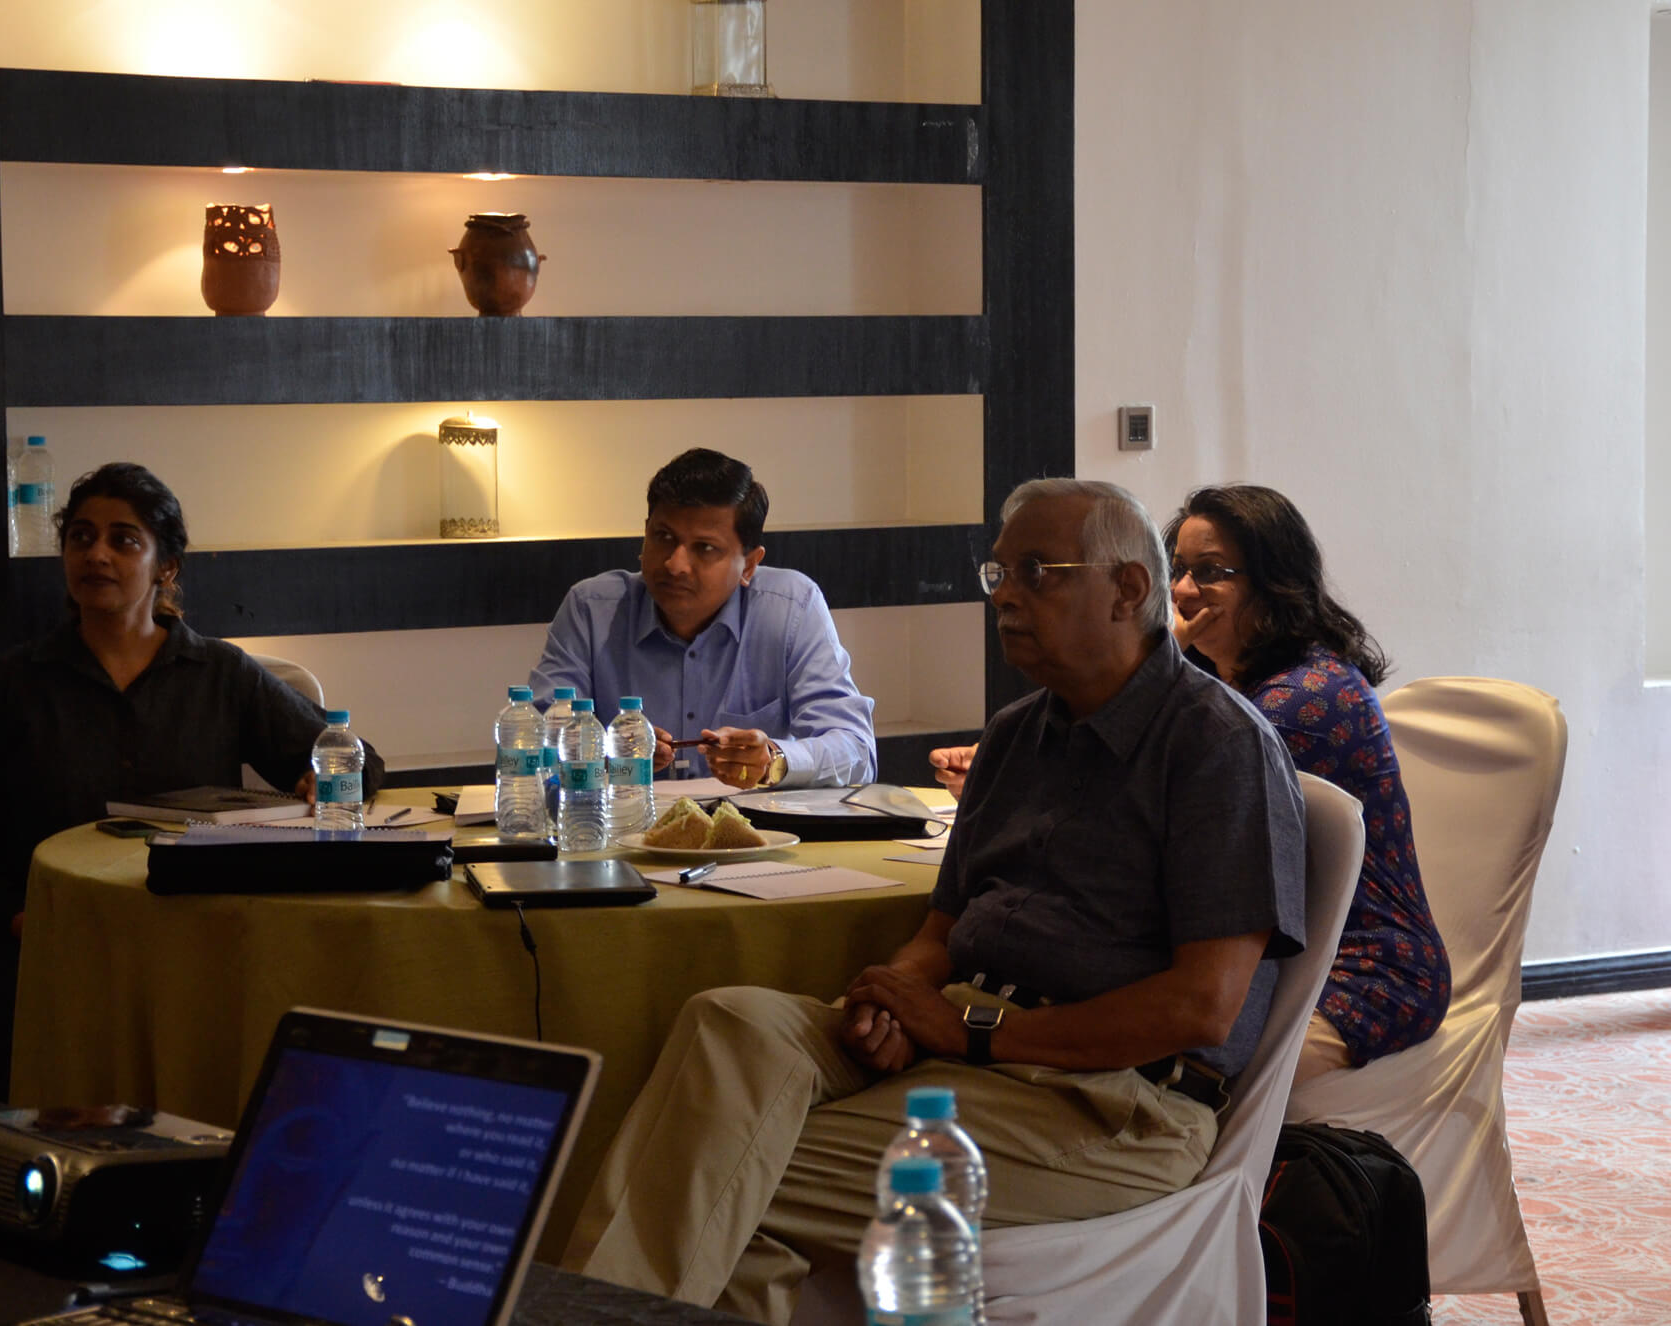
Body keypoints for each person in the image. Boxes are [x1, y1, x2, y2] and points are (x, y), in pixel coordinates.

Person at [562, 478, 1306, 1326]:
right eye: (999, 574)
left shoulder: (1217, 744)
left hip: (1112, 1103)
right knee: (728, 1021)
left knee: (719, 1165)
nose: (1006, 597)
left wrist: (972, 1032)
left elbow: (1202, 1006)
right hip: (970, 1047)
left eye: (1036, 572)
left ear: (1128, 588)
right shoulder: (1018, 735)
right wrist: (891, 998)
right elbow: (942, 932)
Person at [0, 462, 384, 1099]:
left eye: (123, 540)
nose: (97, 554)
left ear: (165, 567)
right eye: (81, 537)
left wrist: (323, 776)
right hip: (50, 954)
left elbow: (359, 760)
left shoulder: (220, 672)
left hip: (188, 951)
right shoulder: (15, 682)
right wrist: (20, 919)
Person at [1164, 483, 1449, 1082]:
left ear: (1274, 584)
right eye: (1180, 569)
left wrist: (1156, 657)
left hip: (1367, 971)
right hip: (1279, 956)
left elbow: (1160, 800)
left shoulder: (1303, 701)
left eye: (1210, 572)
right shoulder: (1229, 681)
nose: (1183, 591)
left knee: (1172, 1074)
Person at [528, 448, 876, 790]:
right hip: (626, 820)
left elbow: (856, 750)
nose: (675, 565)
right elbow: (535, 741)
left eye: (705, 548)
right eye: (664, 537)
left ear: (749, 565)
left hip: (753, 825)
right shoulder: (591, 610)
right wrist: (607, 753)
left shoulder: (791, 608)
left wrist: (773, 760)